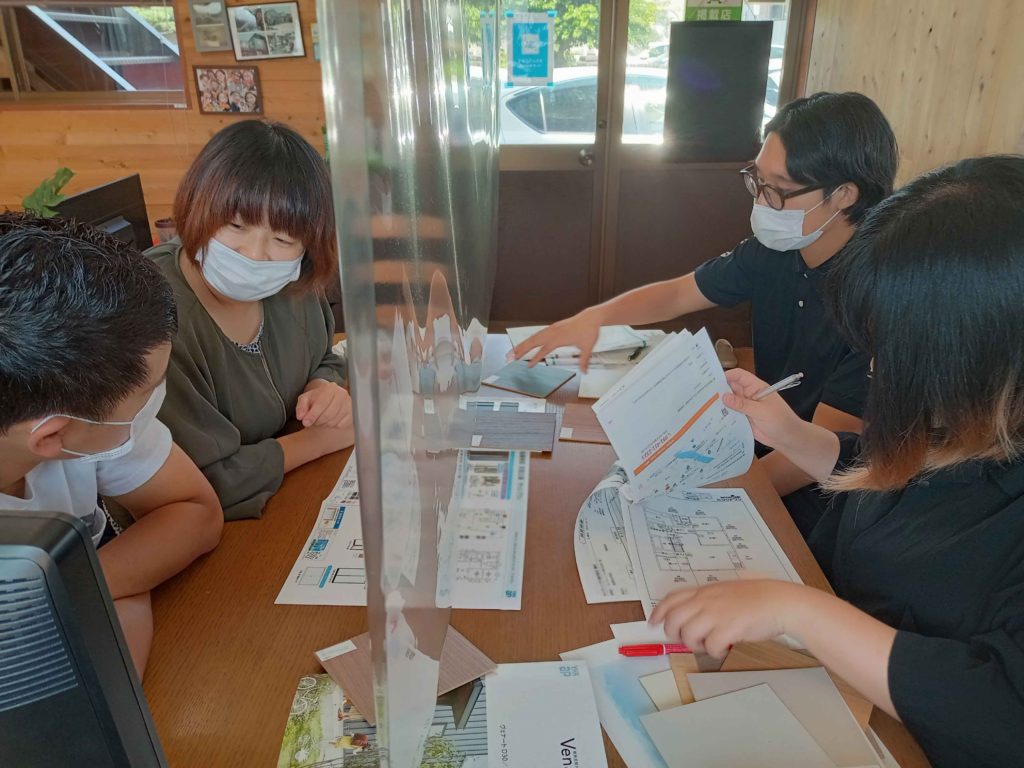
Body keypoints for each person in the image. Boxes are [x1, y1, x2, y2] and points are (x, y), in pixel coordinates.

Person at [650, 155, 1024, 768]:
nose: (876, 368)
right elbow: (891, 469)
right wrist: (793, 434)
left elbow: (1000, 708)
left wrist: (801, 612)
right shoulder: (971, 416)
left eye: (897, 349)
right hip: (826, 679)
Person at [511, 92, 899, 535]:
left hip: (818, 502)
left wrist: (719, 497)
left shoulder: (877, 298)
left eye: (778, 189)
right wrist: (595, 318)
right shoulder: (776, 251)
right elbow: (679, 294)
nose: (761, 202)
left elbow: (821, 451)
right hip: (755, 450)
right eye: (757, 180)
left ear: (843, 195)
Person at [0, 213, 223, 677]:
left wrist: (92, 588)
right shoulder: (77, 414)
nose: (155, 402)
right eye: (148, 392)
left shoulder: (77, 418)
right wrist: (122, 584)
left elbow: (194, 512)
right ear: (51, 436)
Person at [149, 119, 352, 520]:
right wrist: (319, 440)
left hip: (288, 497)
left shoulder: (291, 285)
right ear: (198, 206)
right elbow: (194, 482)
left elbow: (324, 357)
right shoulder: (154, 313)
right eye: (236, 225)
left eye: (283, 239)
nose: (255, 254)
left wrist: (322, 385)